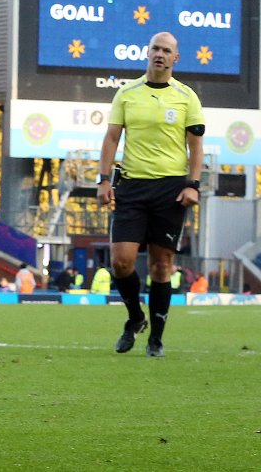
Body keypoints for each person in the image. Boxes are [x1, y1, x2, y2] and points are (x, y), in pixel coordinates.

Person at [98, 31, 203, 358]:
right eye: (156, 48)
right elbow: (111, 138)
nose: (160, 54)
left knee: (162, 266)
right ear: (148, 53)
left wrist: (193, 185)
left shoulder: (187, 97)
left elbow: (196, 146)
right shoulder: (127, 93)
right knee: (121, 262)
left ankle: (156, 338)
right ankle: (135, 318)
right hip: (131, 187)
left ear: (176, 58)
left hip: (171, 190)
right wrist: (103, 180)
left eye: (166, 50)